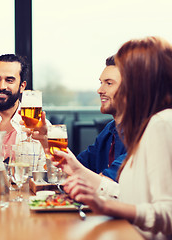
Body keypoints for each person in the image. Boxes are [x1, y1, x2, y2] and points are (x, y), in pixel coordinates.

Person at [58, 36, 172, 239]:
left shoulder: (161, 123)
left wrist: (106, 206)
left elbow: (168, 213)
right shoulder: (144, 128)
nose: (102, 89)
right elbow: (130, 197)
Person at [76, 55, 126, 181]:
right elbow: (77, 167)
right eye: (101, 83)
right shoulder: (110, 129)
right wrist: (46, 141)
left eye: (109, 83)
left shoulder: (145, 134)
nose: (99, 90)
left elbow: (107, 182)